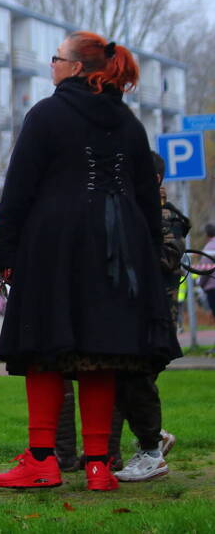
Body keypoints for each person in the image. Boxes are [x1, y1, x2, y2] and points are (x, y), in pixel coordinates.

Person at [0, 32, 181, 492]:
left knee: (44, 351)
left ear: (76, 67)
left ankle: (42, 460)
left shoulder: (46, 115)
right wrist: (148, 256)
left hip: (53, 247)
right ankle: (98, 465)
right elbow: (145, 198)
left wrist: (5, 253)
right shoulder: (128, 122)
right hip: (120, 252)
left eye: (55, 58)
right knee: (103, 352)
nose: (51, 65)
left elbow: (19, 188)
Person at [107, 151, 188, 482]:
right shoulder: (135, 210)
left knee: (138, 382)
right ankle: (151, 443)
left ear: (153, 179)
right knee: (123, 383)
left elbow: (167, 258)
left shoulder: (164, 217)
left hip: (154, 316)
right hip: (133, 312)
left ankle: (151, 451)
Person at [200, 223, 215, 318]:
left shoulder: (208, 248)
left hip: (212, 286)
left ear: (206, 235)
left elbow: (205, 270)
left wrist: (201, 283)